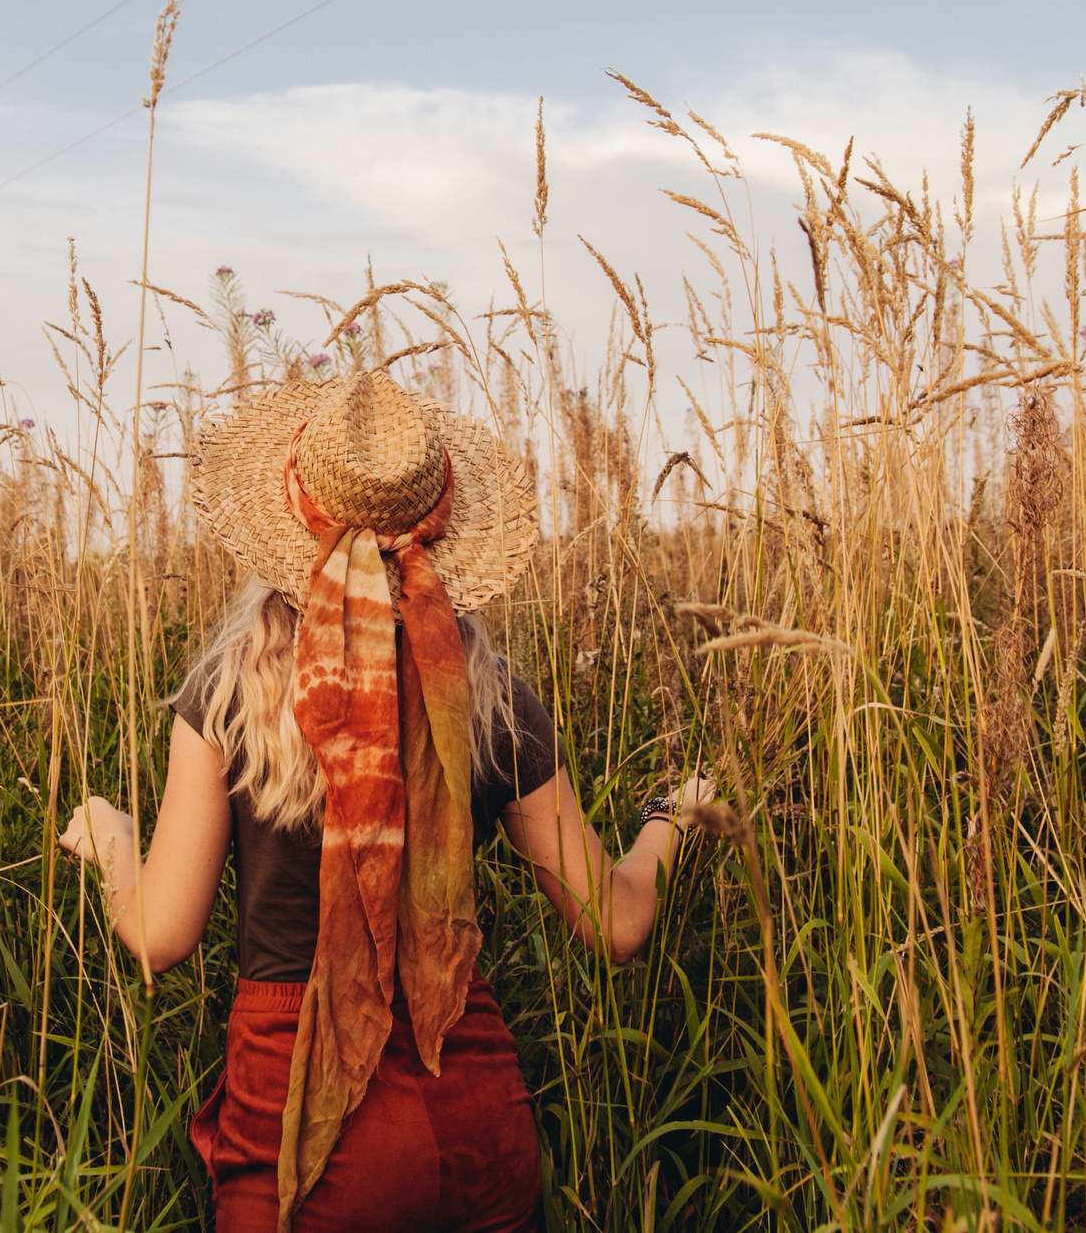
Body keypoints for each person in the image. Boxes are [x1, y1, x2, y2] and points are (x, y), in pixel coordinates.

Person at [58, 369, 714, 1233]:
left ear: (290, 522)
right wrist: (669, 819)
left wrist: (112, 842)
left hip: (305, 1120)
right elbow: (618, 923)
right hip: (476, 1114)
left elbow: (161, 935)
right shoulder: (488, 698)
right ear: (440, 532)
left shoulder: (229, 696)